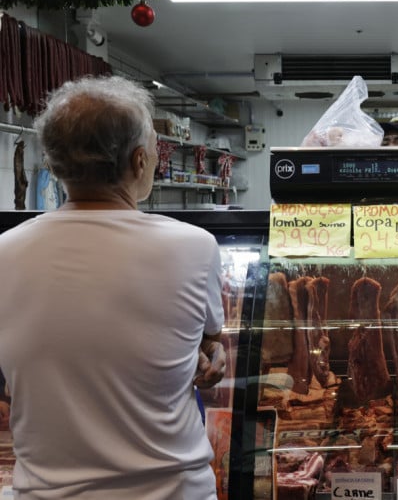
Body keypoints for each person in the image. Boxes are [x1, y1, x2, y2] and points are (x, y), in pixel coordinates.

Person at [0, 75, 227, 499]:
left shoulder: (4, 251)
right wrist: (213, 353)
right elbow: (209, 342)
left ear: (53, 163)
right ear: (139, 161)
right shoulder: (194, 246)